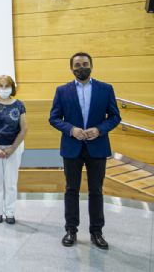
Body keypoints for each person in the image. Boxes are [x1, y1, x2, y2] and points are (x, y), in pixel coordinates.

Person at [49, 52, 121, 249]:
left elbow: (115, 117)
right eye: (78, 64)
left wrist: (99, 129)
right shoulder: (62, 91)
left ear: (92, 65)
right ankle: (71, 230)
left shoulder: (106, 89)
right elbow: (54, 118)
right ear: (71, 68)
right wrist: (71, 130)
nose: (82, 67)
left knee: (96, 190)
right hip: (72, 147)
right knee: (71, 190)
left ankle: (96, 232)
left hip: (97, 147)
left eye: (85, 64)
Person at [0, 75, 27, 224]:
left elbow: (24, 129)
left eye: (6, 86)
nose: (4, 89)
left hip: (14, 147)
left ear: (12, 87)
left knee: (11, 182)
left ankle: (10, 212)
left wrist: (12, 148)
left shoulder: (19, 105)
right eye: (1, 86)